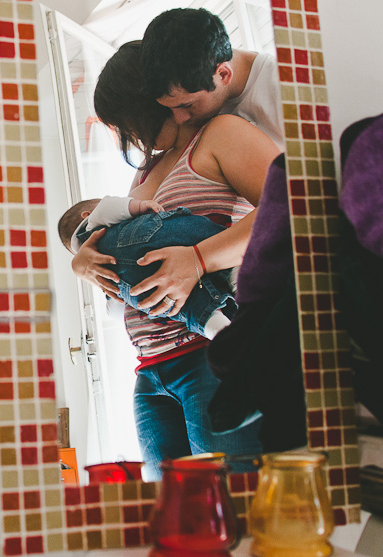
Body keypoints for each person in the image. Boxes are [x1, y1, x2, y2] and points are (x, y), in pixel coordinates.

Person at [72, 41, 280, 481]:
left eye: (127, 123)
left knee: (232, 507)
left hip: (212, 354)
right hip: (150, 369)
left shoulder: (222, 133)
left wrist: (200, 259)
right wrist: (84, 258)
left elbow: (291, 208)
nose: (130, 137)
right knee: (175, 517)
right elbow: (132, 245)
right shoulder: (144, 172)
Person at [57, 195, 235, 339]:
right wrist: (139, 206)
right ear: (86, 215)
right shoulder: (93, 222)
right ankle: (234, 270)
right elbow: (110, 206)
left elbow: (115, 311)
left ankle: (216, 328)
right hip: (143, 240)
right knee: (193, 231)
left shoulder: (97, 268)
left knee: (187, 307)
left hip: (136, 286)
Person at [140, 8, 283, 149]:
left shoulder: (287, 90)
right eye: (169, 109)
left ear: (223, 74)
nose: (179, 120)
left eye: (187, 105)